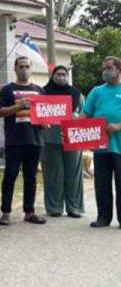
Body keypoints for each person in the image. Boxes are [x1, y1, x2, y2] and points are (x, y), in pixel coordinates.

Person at [0, 56, 47, 225]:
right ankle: (5, 212)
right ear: (15, 68)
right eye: (21, 66)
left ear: (31, 69)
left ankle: (29, 211)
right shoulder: (6, 90)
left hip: (35, 140)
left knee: (31, 176)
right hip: (14, 140)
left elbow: (46, 112)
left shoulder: (39, 90)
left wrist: (46, 121)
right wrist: (18, 106)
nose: (24, 69)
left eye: (27, 66)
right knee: (10, 175)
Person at [82, 56, 121, 228]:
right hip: (100, 147)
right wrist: (70, 128)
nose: (105, 71)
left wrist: (118, 126)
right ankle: (103, 218)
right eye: (103, 68)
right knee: (102, 184)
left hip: (119, 146)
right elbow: (85, 115)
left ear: (118, 69)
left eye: (109, 68)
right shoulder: (96, 91)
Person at [42, 65, 84, 218]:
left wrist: (76, 117)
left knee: (74, 175)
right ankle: (54, 208)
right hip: (50, 139)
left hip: (72, 138)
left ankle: (75, 208)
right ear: (52, 76)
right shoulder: (44, 93)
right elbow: (38, 114)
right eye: (58, 74)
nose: (61, 77)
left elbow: (84, 115)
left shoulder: (76, 94)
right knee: (53, 175)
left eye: (64, 74)